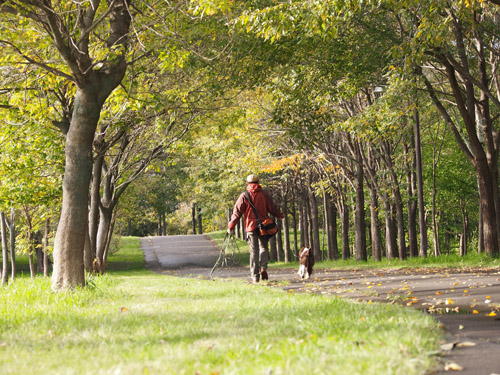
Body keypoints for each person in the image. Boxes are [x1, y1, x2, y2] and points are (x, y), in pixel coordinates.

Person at [227, 174, 284, 283]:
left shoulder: (244, 195)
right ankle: (263, 267)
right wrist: (280, 215)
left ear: (247, 183)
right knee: (264, 247)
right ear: (258, 182)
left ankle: (255, 276)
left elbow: (237, 213)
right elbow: (272, 208)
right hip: (263, 226)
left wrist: (231, 226)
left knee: (254, 251)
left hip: (250, 226)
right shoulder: (264, 194)